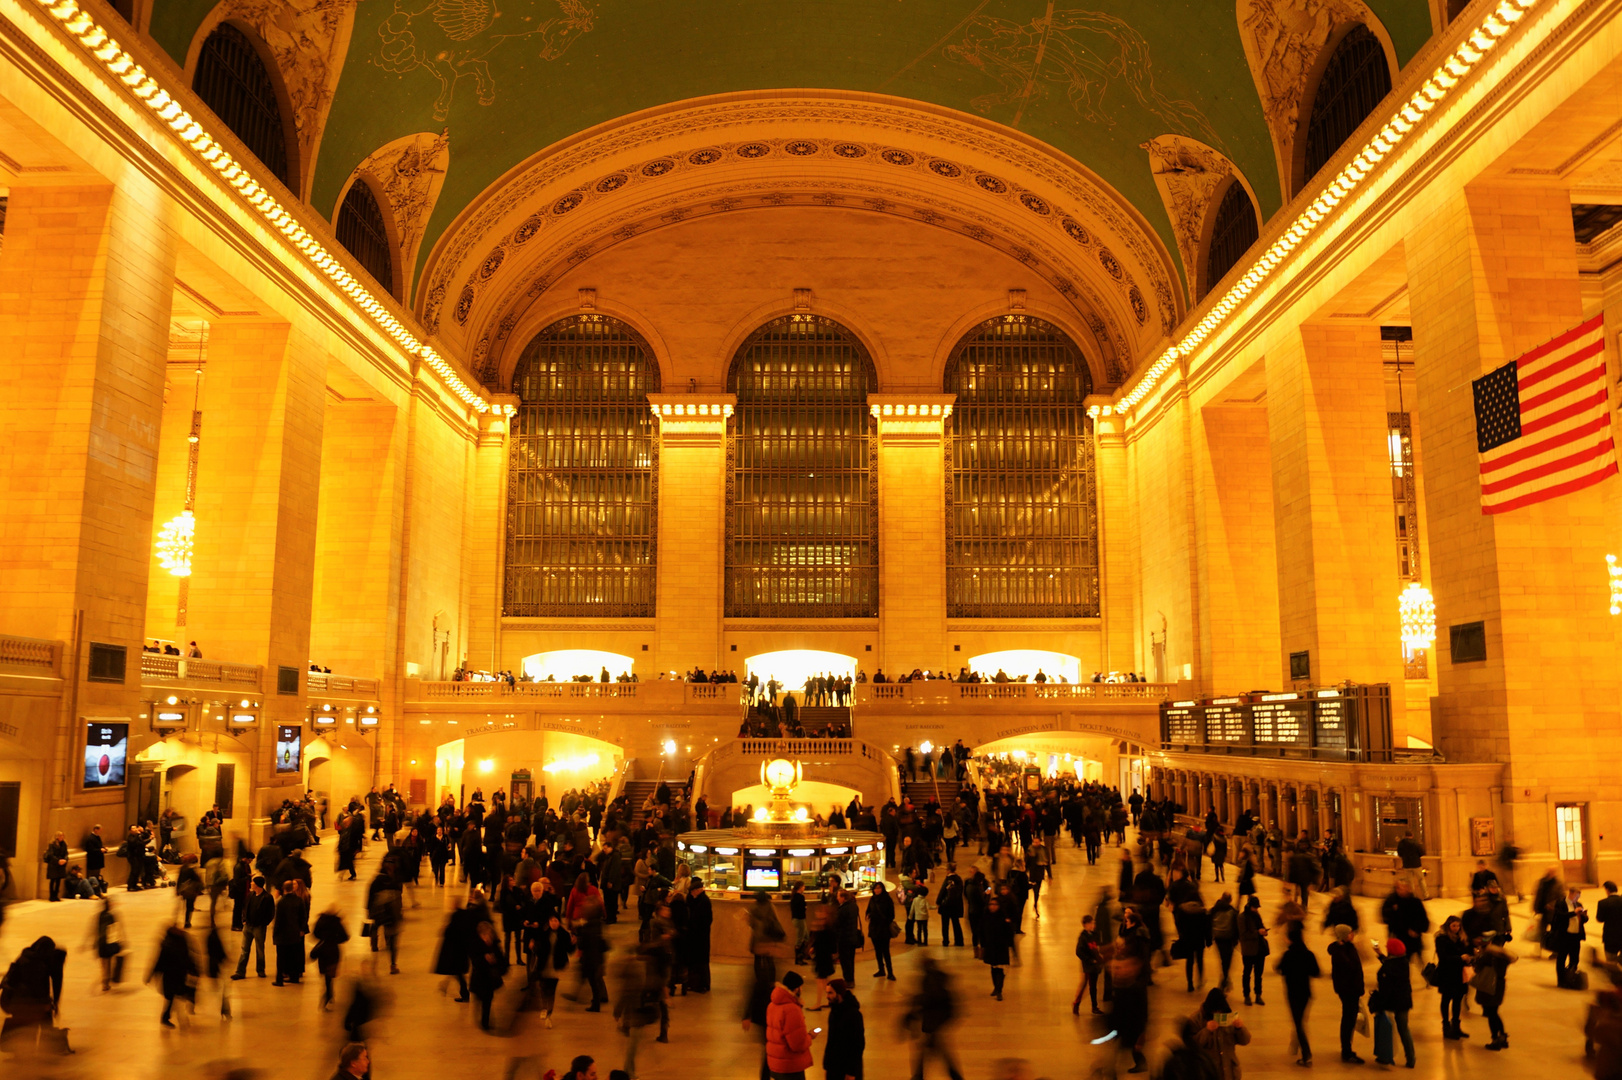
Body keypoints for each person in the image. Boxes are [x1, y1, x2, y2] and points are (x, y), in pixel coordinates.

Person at [904, 957, 964, 1080]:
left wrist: (912, 1014)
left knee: (931, 1052)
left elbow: (927, 999)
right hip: (936, 1023)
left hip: (932, 1023)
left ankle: (919, 1076)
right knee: (938, 1052)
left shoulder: (929, 980)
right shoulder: (940, 978)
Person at [1277, 924, 1319, 1067]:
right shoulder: (1308, 954)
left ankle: (1306, 1054)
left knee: (1298, 1023)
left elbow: (1279, 968)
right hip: (1306, 993)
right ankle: (1295, 1044)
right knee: (1300, 1020)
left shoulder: (1288, 955)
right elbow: (1316, 972)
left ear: (1290, 940)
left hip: (1293, 993)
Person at [1373, 938, 1416, 1068]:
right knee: (1404, 1029)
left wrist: (1379, 1004)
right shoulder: (1403, 961)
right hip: (1404, 1001)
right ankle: (1411, 1058)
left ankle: (1385, 1055)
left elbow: (1386, 986)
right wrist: (1380, 954)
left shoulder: (1389, 967)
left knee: (1386, 1028)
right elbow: (1390, 964)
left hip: (1391, 1002)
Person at [1470, 932, 1516, 1051]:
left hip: (1488, 985)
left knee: (1491, 1014)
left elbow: (1477, 966)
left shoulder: (1488, 955)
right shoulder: (1503, 955)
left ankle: (1495, 1039)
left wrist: (1476, 956)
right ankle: (1502, 1037)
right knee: (1494, 1012)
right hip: (1499, 985)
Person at [766, 970, 816, 1080]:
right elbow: (797, 1044)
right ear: (796, 988)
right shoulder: (792, 1009)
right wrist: (810, 1036)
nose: (801, 990)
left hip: (775, 1064)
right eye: (801, 987)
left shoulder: (772, 1005)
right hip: (790, 1067)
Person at [1327, 924, 1365, 1063]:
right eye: (1349, 933)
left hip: (1351, 989)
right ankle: (1346, 1051)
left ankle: (1347, 1048)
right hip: (1348, 990)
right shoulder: (1339, 952)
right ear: (1343, 936)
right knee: (1348, 1019)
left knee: (1349, 1019)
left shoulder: (1347, 947)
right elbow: (1350, 967)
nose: (1352, 934)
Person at [1193, 987, 1250, 1080]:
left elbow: (1245, 1040)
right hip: (1209, 1072)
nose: (1217, 1013)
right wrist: (1207, 1031)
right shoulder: (1197, 1019)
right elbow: (1193, 1045)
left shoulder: (1229, 1017)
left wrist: (1240, 1029)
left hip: (1229, 1072)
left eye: (1220, 1010)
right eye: (1214, 1011)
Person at [148, 925, 197, 1027]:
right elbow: (160, 961)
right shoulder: (170, 945)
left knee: (173, 996)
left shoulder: (179, 941)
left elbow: (186, 957)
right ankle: (169, 1017)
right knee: (174, 995)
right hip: (172, 976)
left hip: (175, 975)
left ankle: (168, 1017)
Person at [1433, 914, 1471, 1040]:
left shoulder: (1462, 938)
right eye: (1454, 925)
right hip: (1447, 974)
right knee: (1446, 999)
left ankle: (1456, 1027)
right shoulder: (1441, 939)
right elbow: (1443, 957)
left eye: (1458, 926)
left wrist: (1469, 957)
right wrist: (1460, 958)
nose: (1456, 928)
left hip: (1460, 974)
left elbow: (1467, 951)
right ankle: (1446, 1026)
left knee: (1457, 1000)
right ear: (1448, 926)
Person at [232, 875, 274, 979]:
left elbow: (271, 913)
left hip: (259, 927)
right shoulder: (250, 895)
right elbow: (245, 907)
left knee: (260, 949)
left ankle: (260, 970)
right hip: (248, 926)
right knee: (244, 950)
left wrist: (264, 923)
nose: (251, 883)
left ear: (258, 885)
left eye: (253, 882)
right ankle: (240, 971)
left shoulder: (267, 897)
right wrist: (244, 920)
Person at [823, 978, 864, 1080]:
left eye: (830, 993)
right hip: (834, 1067)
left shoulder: (854, 1014)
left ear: (839, 994)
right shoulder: (834, 1011)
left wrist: (851, 1072)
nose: (827, 996)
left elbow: (858, 1045)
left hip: (847, 1069)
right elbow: (831, 1041)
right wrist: (827, 1066)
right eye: (827, 993)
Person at [311, 905, 349, 1011]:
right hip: (333, 951)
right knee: (330, 974)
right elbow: (345, 936)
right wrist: (335, 940)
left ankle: (329, 993)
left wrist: (323, 939)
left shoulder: (320, 920)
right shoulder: (336, 922)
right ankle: (328, 995)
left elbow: (314, 934)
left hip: (322, 951)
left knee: (325, 974)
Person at [981, 895, 1013, 1001]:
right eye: (991, 904)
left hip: (1001, 947)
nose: (993, 907)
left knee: (1000, 969)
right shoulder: (986, 916)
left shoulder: (1004, 917)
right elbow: (981, 932)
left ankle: (999, 990)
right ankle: (996, 987)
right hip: (990, 947)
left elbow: (1009, 933)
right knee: (993, 968)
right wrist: (982, 945)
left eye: (995, 905)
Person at [1238, 894, 1268, 1006]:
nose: (1256, 909)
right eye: (1255, 907)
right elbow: (1243, 934)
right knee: (1247, 973)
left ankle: (1258, 995)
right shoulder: (1242, 917)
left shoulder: (1257, 915)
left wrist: (1264, 931)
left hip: (1260, 949)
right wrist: (1257, 933)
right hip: (1249, 950)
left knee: (1258, 974)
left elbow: (1261, 926)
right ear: (1249, 906)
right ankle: (1246, 995)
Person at [1073, 913, 1103, 1014]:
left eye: (1093, 923)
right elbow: (1079, 951)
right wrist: (1089, 960)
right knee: (1088, 985)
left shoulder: (1095, 934)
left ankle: (1094, 1006)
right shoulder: (1083, 937)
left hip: (1095, 965)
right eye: (1090, 923)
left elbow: (1097, 947)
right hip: (1088, 966)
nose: (1092, 925)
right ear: (1085, 925)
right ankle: (1077, 1004)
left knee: (1093, 986)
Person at [867, 882, 896, 981]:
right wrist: (868, 915)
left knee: (885, 951)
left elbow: (891, 915)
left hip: (883, 929)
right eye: (875, 888)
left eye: (879, 888)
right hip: (874, 928)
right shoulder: (872, 899)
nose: (877, 890)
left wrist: (884, 922)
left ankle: (890, 972)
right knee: (878, 951)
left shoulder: (887, 899)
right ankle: (881, 970)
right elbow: (868, 911)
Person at [1598, 881, 1622, 964]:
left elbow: (1600, 919)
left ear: (1607, 890)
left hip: (1610, 937)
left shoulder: (1602, 903)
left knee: (1611, 961)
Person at [42, 832, 68, 902]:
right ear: (57, 837)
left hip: (61, 864)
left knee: (58, 881)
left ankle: (56, 895)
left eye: (63, 835)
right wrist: (58, 861)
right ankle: (51, 896)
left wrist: (65, 860)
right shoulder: (52, 844)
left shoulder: (64, 844)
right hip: (53, 864)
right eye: (60, 836)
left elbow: (66, 853)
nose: (62, 837)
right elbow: (51, 855)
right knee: (52, 880)